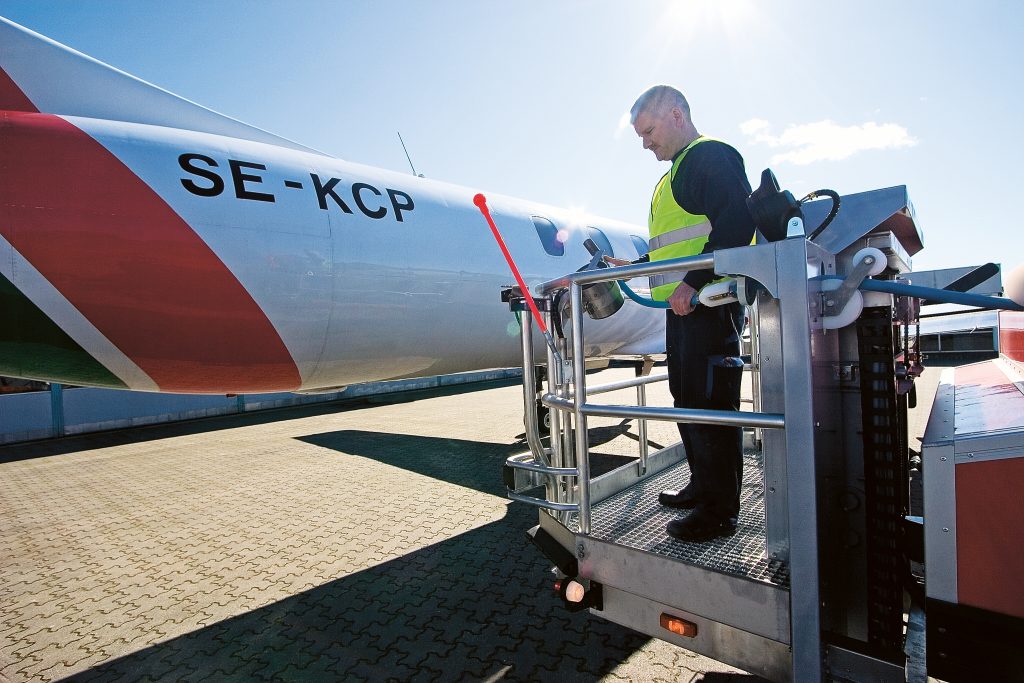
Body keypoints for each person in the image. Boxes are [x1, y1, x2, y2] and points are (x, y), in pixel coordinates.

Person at [628, 85, 755, 542]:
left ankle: (720, 512)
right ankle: (701, 487)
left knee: (711, 406)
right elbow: (676, 247)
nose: (645, 143)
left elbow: (738, 223)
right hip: (683, 310)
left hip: (708, 306)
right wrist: (638, 267)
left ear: (677, 115)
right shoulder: (676, 172)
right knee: (688, 400)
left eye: (649, 131)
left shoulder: (709, 157)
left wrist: (693, 283)